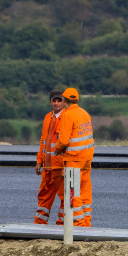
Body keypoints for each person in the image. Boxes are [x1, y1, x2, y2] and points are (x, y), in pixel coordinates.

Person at [54, 88, 95, 227]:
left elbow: (64, 141)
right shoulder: (85, 113)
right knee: (84, 192)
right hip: (87, 159)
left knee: (72, 193)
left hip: (73, 159)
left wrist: (57, 150)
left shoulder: (68, 115)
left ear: (64, 100)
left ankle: (79, 224)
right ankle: (86, 223)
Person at [34, 89, 66, 225]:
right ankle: (39, 224)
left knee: (65, 197)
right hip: (48, 165)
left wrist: (67, 165)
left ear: (64, 102)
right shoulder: (48, 117)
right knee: (43, 196)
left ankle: (62, 225)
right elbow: (43, 140)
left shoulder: (67, 117)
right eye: (54, 100)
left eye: (59, 100)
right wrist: (39, 161)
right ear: (50, 102)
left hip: (60, 166)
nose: (57, 103)